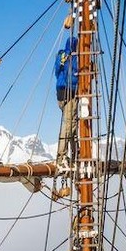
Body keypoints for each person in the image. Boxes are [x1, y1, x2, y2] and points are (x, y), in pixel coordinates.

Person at [54, 23, 78, 170]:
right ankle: (61, 155)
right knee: (71, 124)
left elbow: (57, 72)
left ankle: (75, 154)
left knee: (71, 123)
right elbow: (76, 73)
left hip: (60, 93)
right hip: (71, 91)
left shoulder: (61, 55)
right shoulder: (74, 57)